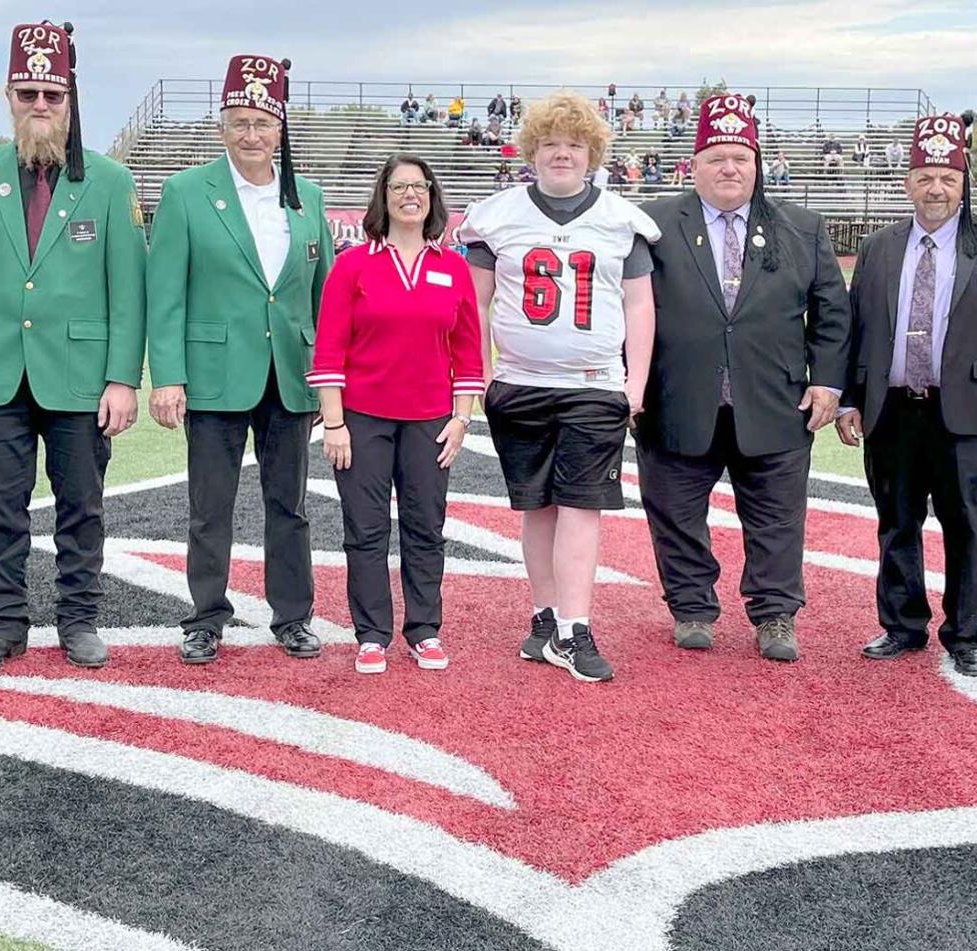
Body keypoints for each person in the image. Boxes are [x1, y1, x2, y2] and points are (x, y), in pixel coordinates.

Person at [0, 21, 147, 674]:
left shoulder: (108, 182)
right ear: (8, 97)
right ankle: (2, 624)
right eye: (29, 94)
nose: (41, 107)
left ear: (71, 100)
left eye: (53, 95)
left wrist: (122, 379)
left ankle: (78, 620)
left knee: (81, 508)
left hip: (80, 376)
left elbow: (127, 289)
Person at [457, 91, 660, 683]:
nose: (562, 154)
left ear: (593, 152)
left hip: (595, 385)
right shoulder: (496, 215)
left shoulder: (622, 221)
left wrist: (635, 381)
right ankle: (544, 616)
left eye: (574, 145)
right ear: (532, 151)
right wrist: (482, 372)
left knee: (581, 504)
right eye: (550, 144)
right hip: (519, 382)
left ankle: (575, 626)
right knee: (536, 504)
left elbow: (639, 306)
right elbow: (474, 301)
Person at [636, 92, 848, 660]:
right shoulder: (653, 224)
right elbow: (626, 305)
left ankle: (775, 614)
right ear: (694, 164)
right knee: (675, 512)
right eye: (717, 157)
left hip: (775, 401)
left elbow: (832, 311)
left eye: (741, 158)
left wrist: (827, 382)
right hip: (676, 396)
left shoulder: (800, 227)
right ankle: (691, 607)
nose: (730, 168)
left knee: (778, 518)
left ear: (757, 164)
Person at [148, 54, 335, 666]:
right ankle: (205, 616)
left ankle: (293, 615)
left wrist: (329, 382)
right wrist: (168, 376)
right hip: (213, 376)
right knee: (211, 507)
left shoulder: (307, 196)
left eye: (262, 122)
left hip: (290, 376)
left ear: (281, 128)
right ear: (221, 127)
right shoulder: (185, 192)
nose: (251, 135)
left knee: (291, 507)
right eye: (239, 123)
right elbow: (166, 293)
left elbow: (323, 298)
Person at [835, 113, 977, 675]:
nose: (936, 188)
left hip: (970, 413)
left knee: (969, 524)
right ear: (908, 182)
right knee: (896, 520)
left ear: (964, 182)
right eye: (925, 176)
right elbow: (857, 328)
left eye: (948, 177)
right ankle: (901, 624)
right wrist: (851, 398)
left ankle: (967, 632)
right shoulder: (879, 247)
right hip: (893, 409)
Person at [309, 156, 483, 675]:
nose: (411, 194)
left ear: (432, 196)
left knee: (425, 526)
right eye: (399, 186)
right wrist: (335, 423)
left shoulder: (452, 266)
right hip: (362, 418)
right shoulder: (354, 264)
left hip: (431, 421)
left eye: (420, 185)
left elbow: (469, 350)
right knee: (364, 529)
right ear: (382, 197)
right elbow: (329, 348)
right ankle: (371, 634)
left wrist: (461, 418)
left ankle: (424, 629)